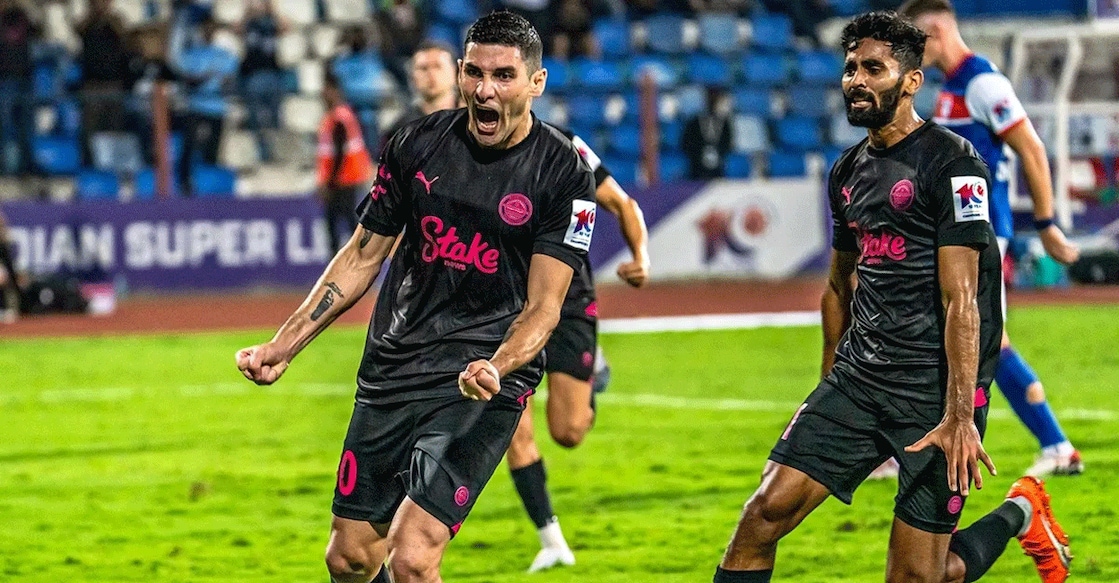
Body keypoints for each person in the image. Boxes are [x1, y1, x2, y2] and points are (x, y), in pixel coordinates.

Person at [236, 11, 597, 583]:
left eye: (504, 75)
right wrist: (285, 344)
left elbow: (545, 307)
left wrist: (498, 366)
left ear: (537, 82)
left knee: (413, 556)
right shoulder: (415, 144)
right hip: (396, 361)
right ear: (458, 73)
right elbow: (361, 255)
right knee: (350, 558)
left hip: (481, 378)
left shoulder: (562, 173)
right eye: (474, 73)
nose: (484, 89)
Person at [713, 12, 1071, 583]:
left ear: (910, 81)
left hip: (934, 393)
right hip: (859, 382)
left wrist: (960, 414)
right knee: (760, 518)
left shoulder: (954, 164)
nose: (855, 79)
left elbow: (963, 300)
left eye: (872, 68)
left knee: (918, 577)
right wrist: (829, 380)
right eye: (850, 67)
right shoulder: (847, 172)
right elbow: (838, 284)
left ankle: (1022, 510)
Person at [898, 0, 1084, 478]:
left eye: (916, 41)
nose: (912, 54)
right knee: (959, 336)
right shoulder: (951, 90)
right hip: (957, 230)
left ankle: (1056, 445)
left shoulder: (983, 83)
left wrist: (1046, 225)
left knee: (983, 341)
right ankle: (915, 447)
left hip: (980, 232)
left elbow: (1032, 149)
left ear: (937, 30)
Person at [505, 126, 649, 572]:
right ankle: (552, 541)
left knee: (568, 432)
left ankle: (592, 378)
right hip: (505, 308)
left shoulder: (564, 145)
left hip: (567, 301)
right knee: (512, 426)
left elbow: (622, 202)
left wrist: (641, 257)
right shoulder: (464, 152)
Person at [317, 71, 375, 256]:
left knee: (338, 224)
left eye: (326, 89)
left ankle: (348, 265)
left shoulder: (339, 118)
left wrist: (329, 183)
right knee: (347, 223)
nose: (323, 94)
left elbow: (339, 153)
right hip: (348, 178)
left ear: (334, 91)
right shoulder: (343, 115)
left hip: (343, 179)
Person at [377, 41, 462, 157]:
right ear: (412, 77)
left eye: (438, 66)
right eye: (423, 68)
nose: (431, 74)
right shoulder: (401, 130)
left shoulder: (474, 121)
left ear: (456, 72)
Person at [682, 86, 733, 180]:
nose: (712, 100)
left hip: (718, 170)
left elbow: (729, 144)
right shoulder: (694, 122)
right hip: (697, 170)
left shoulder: (725, 123)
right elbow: (686, 144)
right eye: (710, 97)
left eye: (715, 97)